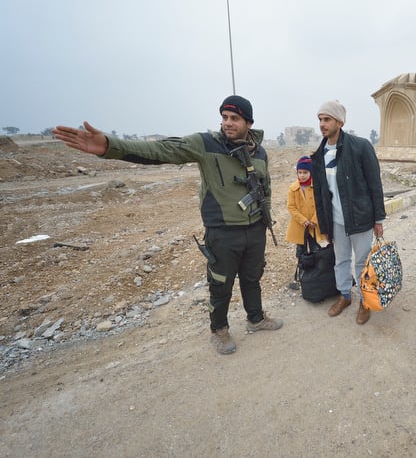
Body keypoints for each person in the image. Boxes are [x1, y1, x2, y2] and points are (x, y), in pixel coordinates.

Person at [52, 95, 282, 355]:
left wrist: (265, 220)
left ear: (248, 123)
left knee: (253, 278)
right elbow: (160, 150)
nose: (228, 123)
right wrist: (108, 146)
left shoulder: (260, 153)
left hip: (254, 230)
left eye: (235, 119)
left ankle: (256, 319)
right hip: (223, 232)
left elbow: (266, 188)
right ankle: (219, 330)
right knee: (221, 285)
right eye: (225, 118)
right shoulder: (205, 144)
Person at [311, 100, 386, 325]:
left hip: (361, 219)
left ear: (340, 122)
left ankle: (364, 301)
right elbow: (319, 194)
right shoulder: (319, 154)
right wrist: (324, 226)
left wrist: (378, 218)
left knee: (362, 263)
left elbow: (375, 184)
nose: (322, 124)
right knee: (340, 260)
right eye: (320, 120)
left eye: (327, 119)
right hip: (336, 223)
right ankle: (345, 296)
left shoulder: (361, 147)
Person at [285, 155, 326, 289]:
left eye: (305, 172)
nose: (302, 175)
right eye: (300, 172)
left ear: (311, 173)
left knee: (315, 249)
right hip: (300, 226)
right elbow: (291, 207)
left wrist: (314, 220)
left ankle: (315, 272)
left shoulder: (316, 187)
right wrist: (303, 220)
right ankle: (302, 273)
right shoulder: (293, 188)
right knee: (301, 250)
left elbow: (320, 204)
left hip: (313, 226)